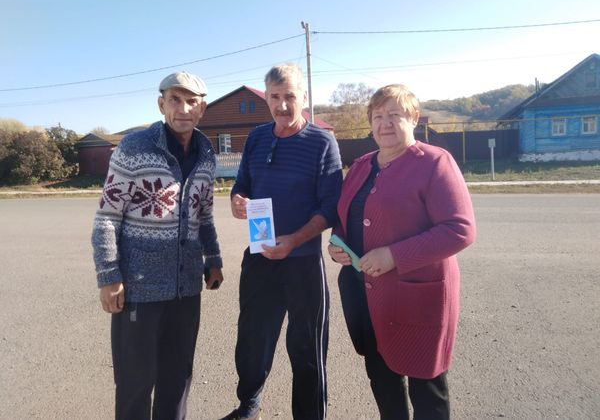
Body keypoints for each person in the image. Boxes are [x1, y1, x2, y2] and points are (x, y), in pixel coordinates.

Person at [328, 84, 476, 420]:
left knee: (427, 388)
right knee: (382, 381)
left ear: (414, 118)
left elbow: (460, 229)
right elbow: (344, 216)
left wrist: (393, 256)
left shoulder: (435, 162)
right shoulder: (361, 166)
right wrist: (338, 243)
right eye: (378, 116)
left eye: (394, 114)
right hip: (366, 297)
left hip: (417, 297)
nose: (385, 123)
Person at [91, 71, 224, 419]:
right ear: (161, 104)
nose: (184, 108)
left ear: (202, 109)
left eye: (192, 101)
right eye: (175, 100)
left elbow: (204, 215)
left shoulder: (206, 155)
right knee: (135, 382)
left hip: (186, 288)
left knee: (177, 378)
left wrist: (213, 259)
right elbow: (107, 217)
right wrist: (108, 276)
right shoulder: (134, 148)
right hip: (139, 288)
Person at [222, 63, 343, 420]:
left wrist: (294, 239)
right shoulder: (257, 138)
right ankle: (249, 403)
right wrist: (236, 200)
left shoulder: (322, 142)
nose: (283, 105)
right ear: (267, 99)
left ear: (303, 96)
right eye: (275, 97)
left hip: (303, 260)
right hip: (260, 256)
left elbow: (330, 207)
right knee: (252, 340)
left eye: (290, 96)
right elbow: (242, 184)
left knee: (307, 348)